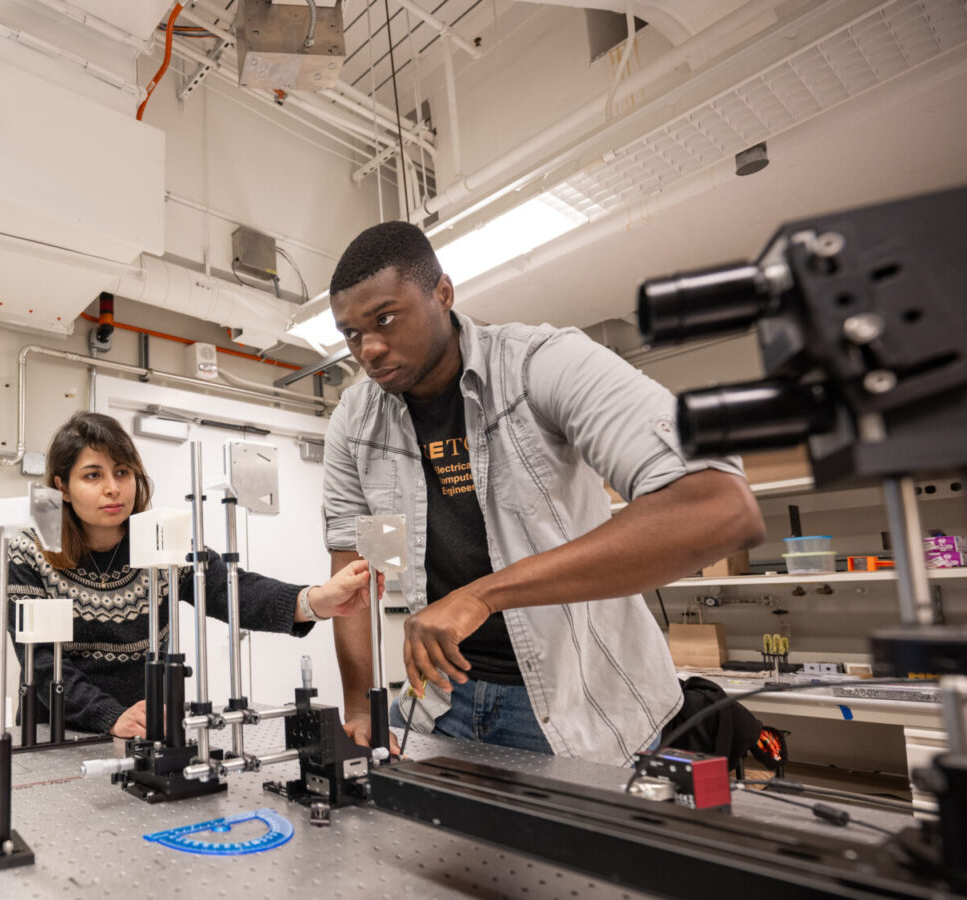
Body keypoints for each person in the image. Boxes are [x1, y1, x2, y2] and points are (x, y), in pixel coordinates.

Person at [321, 221, 765, 766]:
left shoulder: (540, 365)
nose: (368, 348)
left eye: (384, 318)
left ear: (443, 293)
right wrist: (360, 707)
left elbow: (718, 504)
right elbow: (354, 579)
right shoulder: (357, 421)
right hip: (438, 705)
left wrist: (481, 595)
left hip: (580, 706)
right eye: (350, 334)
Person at [9, 411, 378, 738]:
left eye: (122, 472)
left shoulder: (160, 541)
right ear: (63, 488)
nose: (113, 488)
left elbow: (231, 590)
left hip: (149, 727)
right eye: (93, 475)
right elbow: (40, 661)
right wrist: (109, 715)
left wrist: (317, 600)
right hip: (55, 733)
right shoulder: (30, 551)